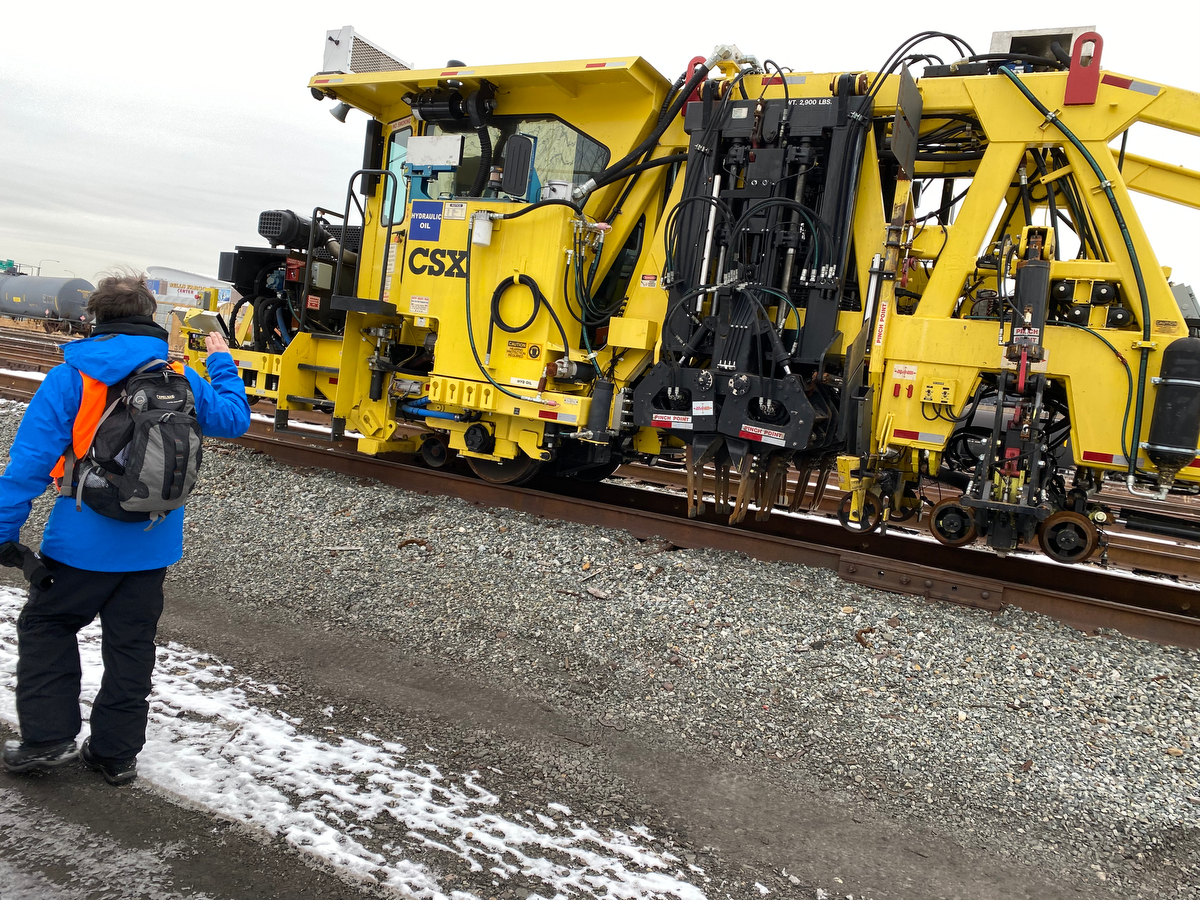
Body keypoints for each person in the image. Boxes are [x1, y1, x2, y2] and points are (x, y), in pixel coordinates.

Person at [0, 272, 250, 784]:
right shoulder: (178, 376)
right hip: (154, 545)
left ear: (95, 318)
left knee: (48, 626)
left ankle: (48, 739)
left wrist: (4, 531)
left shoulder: (71, 377)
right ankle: (115, 755)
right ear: (150, 318)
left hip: (80, 544)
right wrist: (222, 361)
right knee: (131, 646)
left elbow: (27, 467)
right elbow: (234, 419)